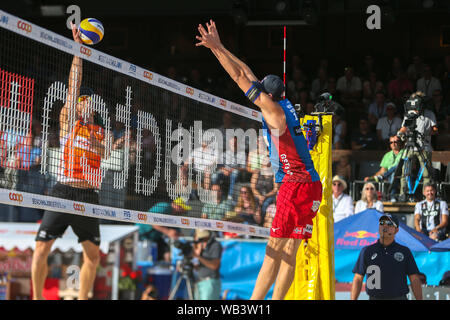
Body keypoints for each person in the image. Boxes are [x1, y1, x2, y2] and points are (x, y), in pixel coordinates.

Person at [196, 20, 322, 300]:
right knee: (290, 250)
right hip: (312, 184)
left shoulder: (274, 114)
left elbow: (240, 78)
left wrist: (217, 49)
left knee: (273, 249)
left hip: (296, 183)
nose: (258, 90)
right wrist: (219, 47)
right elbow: (246, 72)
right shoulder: (284, 104)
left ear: (268, 95)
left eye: (262, 90)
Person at [32, 23, 112, 300]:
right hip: (63, 190)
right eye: (81, 100)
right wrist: (79, 50)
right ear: (75, 105)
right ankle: (38, 297)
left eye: (88, 100)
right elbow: (73, 84)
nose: (84, 103)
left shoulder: (101, 131)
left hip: (88, 195)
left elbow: (106, 153)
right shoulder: (68, 122)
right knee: (41, 249)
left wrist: (97, 143)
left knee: (93, 255)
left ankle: (83, 296)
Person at [351, 214, 423, 300]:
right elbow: (358, 278)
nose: (385, 226)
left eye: (389, 224)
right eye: (382, 223)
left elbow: (414, 279)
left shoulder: (404, 251)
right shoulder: (367, 251)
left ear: (396, 230)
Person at [397, 92, 438, 201]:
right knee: (405, 170)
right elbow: (404, 127)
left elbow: (435, 129)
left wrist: (427, 132)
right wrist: (400, 133)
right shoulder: (409, 113)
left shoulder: (429, 114)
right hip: (410, 146)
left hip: (424, 147)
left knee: (426, 173)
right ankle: (403, 194)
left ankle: (426, 195)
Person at [137, 198, 191, 262]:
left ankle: (168, 267)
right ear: (178, 206)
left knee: (166, 250)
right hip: (141, 237)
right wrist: (168, 232)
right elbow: (150, 220)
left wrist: (182, 238)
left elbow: (177, 232)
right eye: (183, 209)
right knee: (141, 260)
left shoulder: (174, 216)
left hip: (153, 239)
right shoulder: (164, 206)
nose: (184, 212)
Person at [365, 135, 405, 202]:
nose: (393, 144)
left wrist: (383, 175)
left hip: (403, 176)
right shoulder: (387, 155)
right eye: (391, 142)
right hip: (390, 177)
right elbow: (382, 171)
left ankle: (392, 196)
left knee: (398, 166)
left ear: (400, 142)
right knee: (392, 174)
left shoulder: (405, 152)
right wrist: (371, 177)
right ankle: (392, 197)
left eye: (396, 142)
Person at [192, 229, 222, 300]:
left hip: (209, 282)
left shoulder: (215, 245)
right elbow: (196, 267)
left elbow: (214, 266)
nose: (202, 239)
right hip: (199, 282)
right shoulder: (199, 246)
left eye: (203, 237)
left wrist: (198, 256)